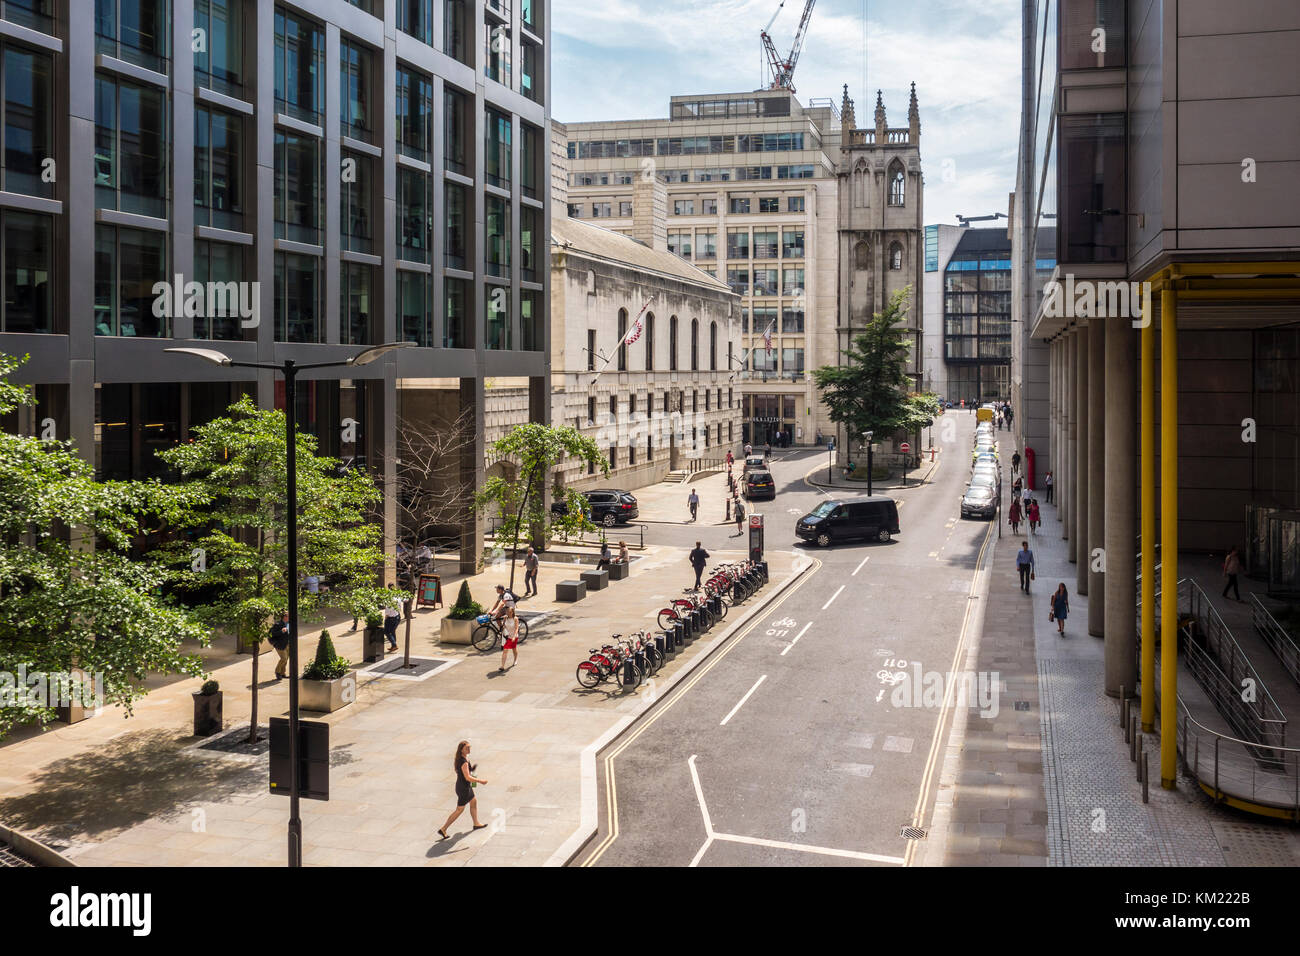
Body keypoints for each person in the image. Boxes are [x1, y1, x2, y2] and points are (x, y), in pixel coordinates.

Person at [438, 740, 488, 840]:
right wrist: (480, 781)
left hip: (464, 786)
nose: (469, 749)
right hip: (464, 788)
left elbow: (460, 772)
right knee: (459, 810)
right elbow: (467, 778)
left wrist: (471, 769)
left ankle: (476, 823)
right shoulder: (464, 762)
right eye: (467, 748)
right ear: (461, 750)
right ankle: (443, 829)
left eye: (469, 747)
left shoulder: (460, 758)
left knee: (473, 802)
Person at [269, 610, 291, 680]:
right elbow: (273, 634)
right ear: (284, 617)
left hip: (287, 643)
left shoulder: (288, 623)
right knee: (283, 658)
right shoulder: (277, 624)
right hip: (280, 644)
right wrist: (281, 631)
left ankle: (282, 673)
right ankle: (277, 672)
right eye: (288, 616)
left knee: (286, 659)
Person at [498, 605, 520, 672]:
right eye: (507, 612)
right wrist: (503, 624)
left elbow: (516, 629)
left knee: (514, 649)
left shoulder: (515, 619)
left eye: (510, 612)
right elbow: (503, 626)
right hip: (507, 637)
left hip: (514, 637)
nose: (508, 613)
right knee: (505, 650)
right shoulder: (505, 618)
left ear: (513, 612)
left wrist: (514, 636)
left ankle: (515, 659)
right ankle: (502, 666)